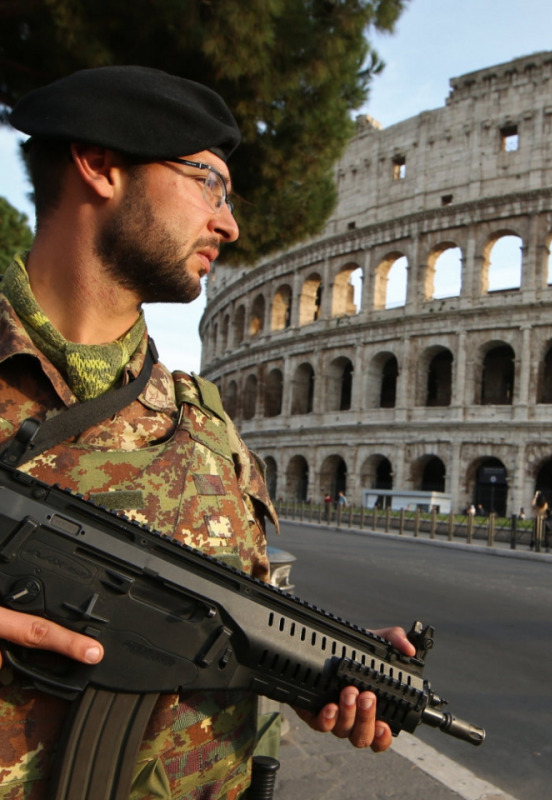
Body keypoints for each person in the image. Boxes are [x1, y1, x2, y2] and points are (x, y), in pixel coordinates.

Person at [0, 66, 414, 800]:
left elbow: (216, 619)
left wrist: (324, 665)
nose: (229, 223)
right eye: (208, 184)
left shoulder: (207, 426)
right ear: (99, 164)